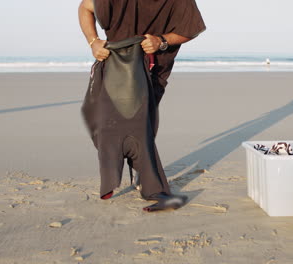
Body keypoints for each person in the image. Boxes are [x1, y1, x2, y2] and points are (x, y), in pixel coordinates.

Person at [78, 0, 205, 211]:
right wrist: (93, 42)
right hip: (114, 64)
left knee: (140, 126)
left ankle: (155, 188)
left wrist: (161, 41)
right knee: (99, 122)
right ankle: (133, 172)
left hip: (152, 70)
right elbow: (85, 7)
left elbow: (191, 29)